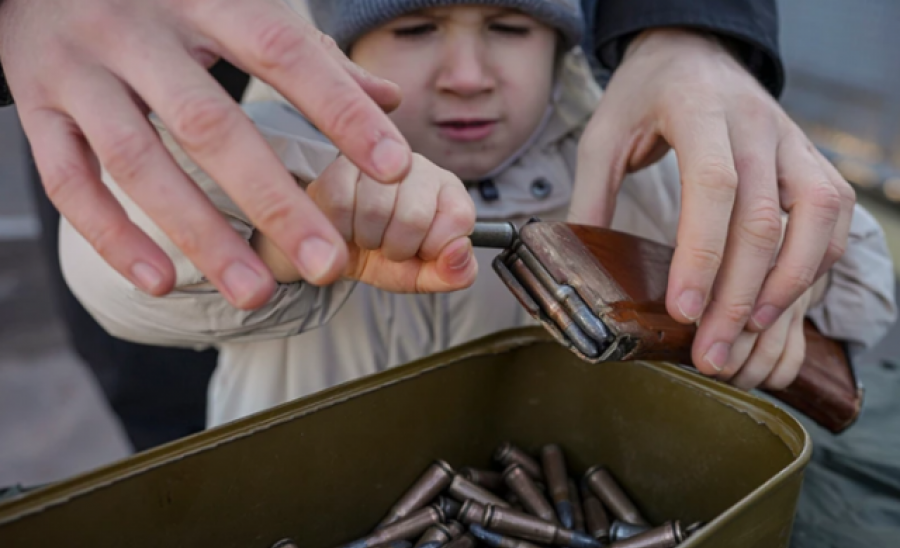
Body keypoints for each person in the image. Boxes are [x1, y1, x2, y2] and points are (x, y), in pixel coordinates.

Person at [60, 0, 895, 427]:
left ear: (564, 43)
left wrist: (781, 290)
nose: (467, 73)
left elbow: (857, 280)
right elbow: (121, 270)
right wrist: (279, 243)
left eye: (507, 25)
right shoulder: (271, 153)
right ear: (337, 51)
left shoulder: (639, 155)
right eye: (416, 27)